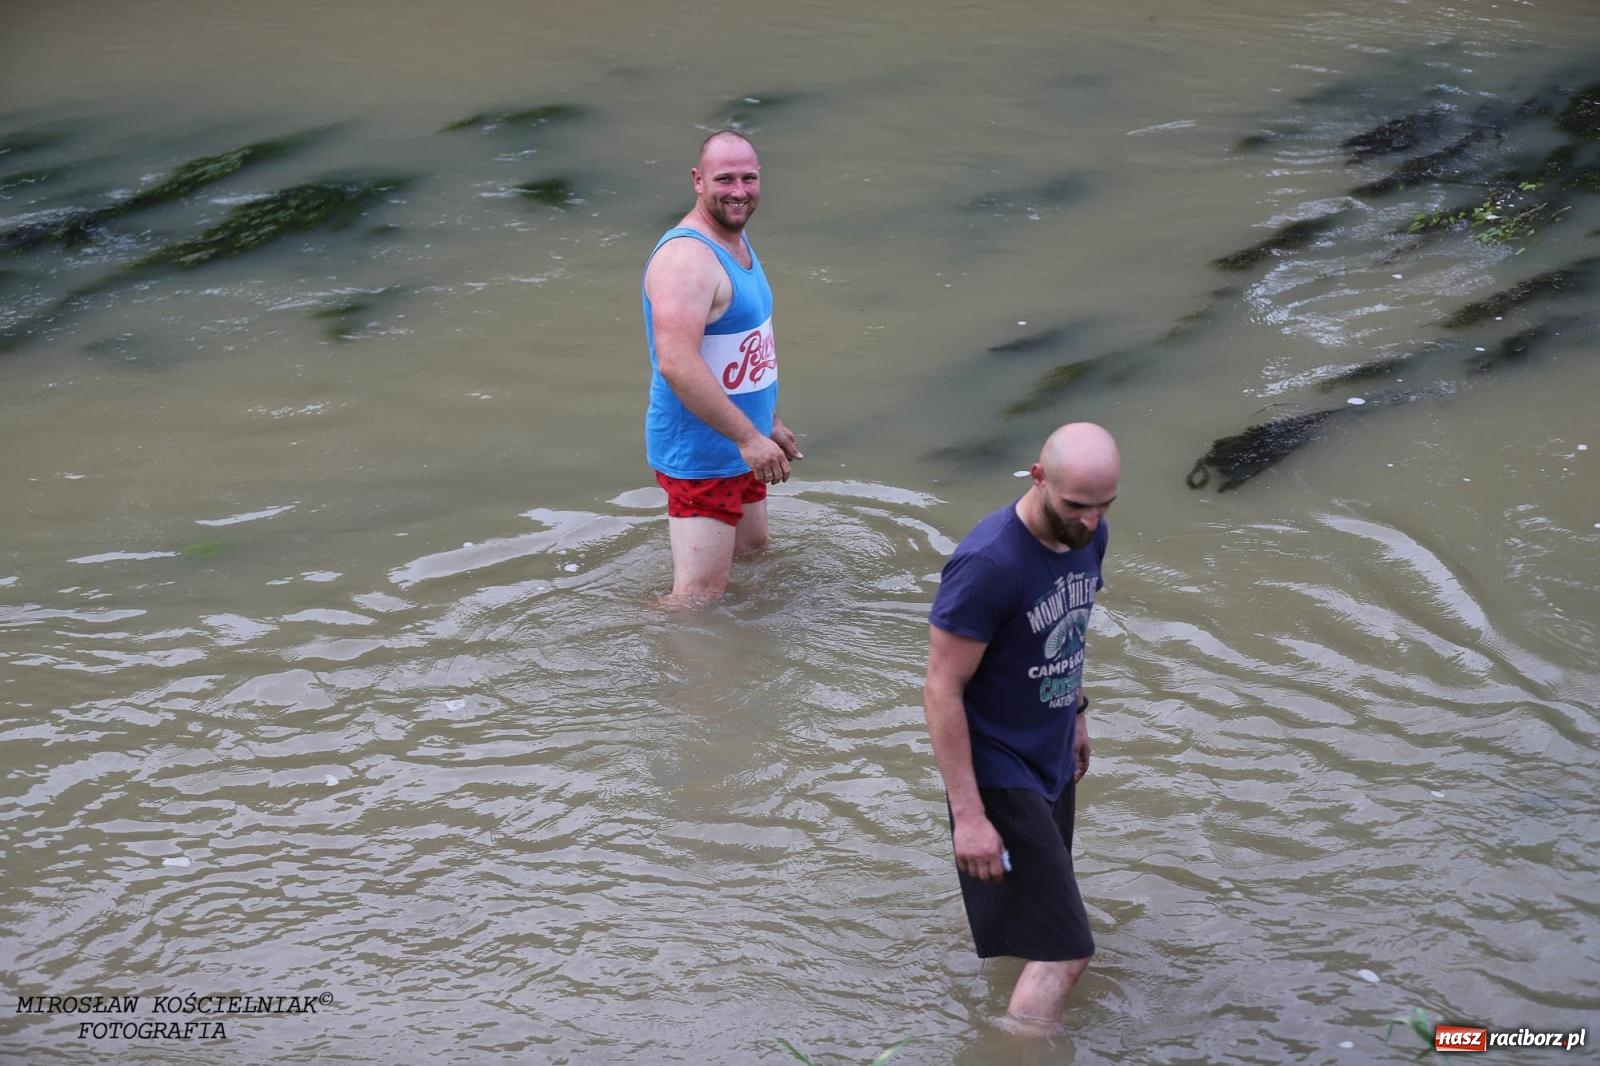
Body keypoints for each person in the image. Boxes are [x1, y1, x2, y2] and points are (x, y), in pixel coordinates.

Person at [921, 422, 1120, 1032]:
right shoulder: (988, 563)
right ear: (1038, 479)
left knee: (1039, 925)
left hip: (1050, 753)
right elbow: (940, 688)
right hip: (998, 768)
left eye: (1103, 506)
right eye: (1075, 506)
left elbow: (1069, 632)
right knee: (1068, 950)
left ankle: (1002, 1012)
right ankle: (1017, 1050)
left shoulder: (1090, 536)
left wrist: (1076, 714)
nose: (1088, 522)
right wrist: (971, 817)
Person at [641, 130, 803, 607]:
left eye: (748, 178)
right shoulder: (686, 260)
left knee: (753, 558)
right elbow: (676, 363)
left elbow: (743, 347)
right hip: (704, 454)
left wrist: (768, 423)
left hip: (742, 443)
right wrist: (748, 438)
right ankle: (625, 648)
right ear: (697, 180)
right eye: (725, 178)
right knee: (697, 600)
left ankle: (744, 672)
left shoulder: (736, 241)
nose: (738, 190)